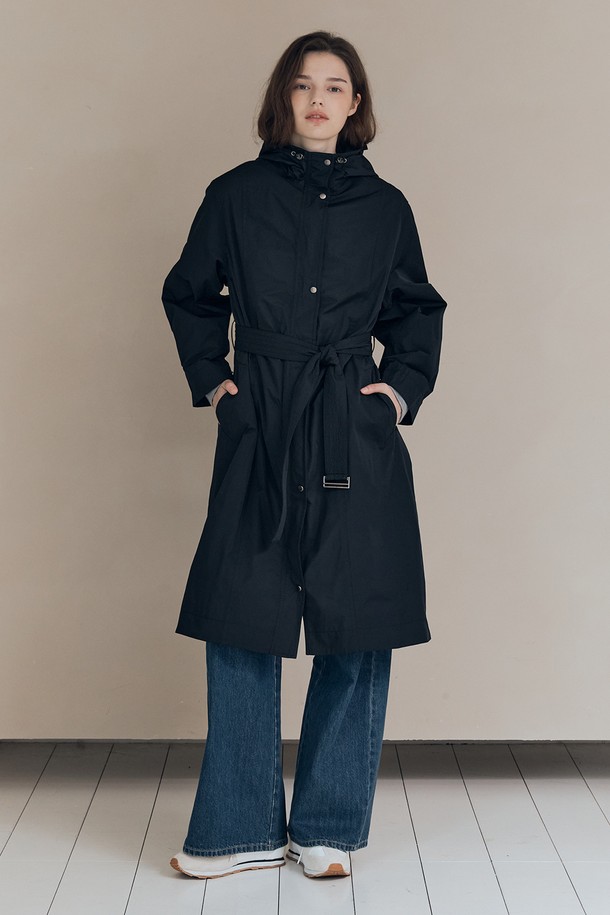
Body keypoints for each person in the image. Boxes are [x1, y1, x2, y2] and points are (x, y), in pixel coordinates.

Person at [161, 30, 447, 880]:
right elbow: (189, 294)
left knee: (357, 619)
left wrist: (397, 393)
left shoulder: (386, 208)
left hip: (350, 420)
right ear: (282, 98)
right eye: (303, 85)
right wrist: (217, 383)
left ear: (356, 104)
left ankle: (328, 825)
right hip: (263, 414)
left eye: (335, 86)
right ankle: (239, 825)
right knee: (242, 612)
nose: (319, 99)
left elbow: (417, 309)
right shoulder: (234, 195)